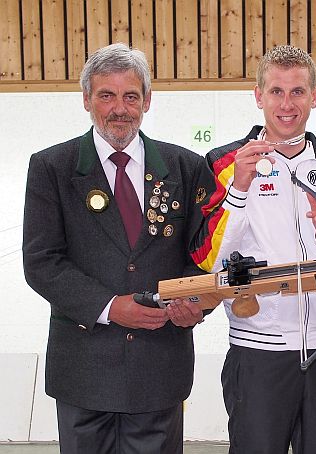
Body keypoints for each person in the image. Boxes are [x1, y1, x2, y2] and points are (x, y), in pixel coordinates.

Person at [23, 43, 207, 453]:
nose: (119, 108)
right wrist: (109, 307)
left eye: (131, 96)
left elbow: (203, 256)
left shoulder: (186, 167)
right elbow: (41, 262)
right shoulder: (52, 167)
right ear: (86, 99)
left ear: (147, 101)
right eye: (106, 95)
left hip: (159, 368)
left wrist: (196, 303)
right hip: (84, 372)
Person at [190, 44, 316, 454]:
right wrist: (239, 190)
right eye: (276, 91)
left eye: (297, 91)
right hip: (257, 353)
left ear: (314, 96)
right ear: (258, 95)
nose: (287, 104)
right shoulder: (223, 164)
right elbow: (209, 260)